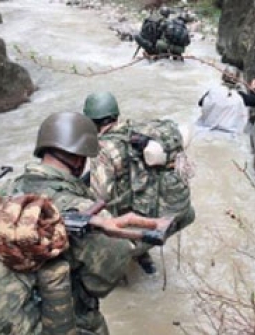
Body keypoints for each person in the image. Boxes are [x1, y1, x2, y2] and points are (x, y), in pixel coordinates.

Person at [0, 112, 142, 335]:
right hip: (68, 322)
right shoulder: (73, 207)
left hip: (11, 327)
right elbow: (105, 275)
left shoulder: (7, 191)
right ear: (78, 159)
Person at [83, 91, 195, 274]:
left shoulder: (103, 150)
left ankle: (125, 262)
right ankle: (143, 257)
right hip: (170, 213)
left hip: (135, 220)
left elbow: (100, 197)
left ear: (91, 122)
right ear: (116, 116)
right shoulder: (138, 132)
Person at [197, 65, 255, 133]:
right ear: (237, 79)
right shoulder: (239, 95)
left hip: (206, 129)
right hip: (228, 133)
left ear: (223, 77)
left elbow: (200, 103)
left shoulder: (212, 91)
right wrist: (254, 89)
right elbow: (254, 101)